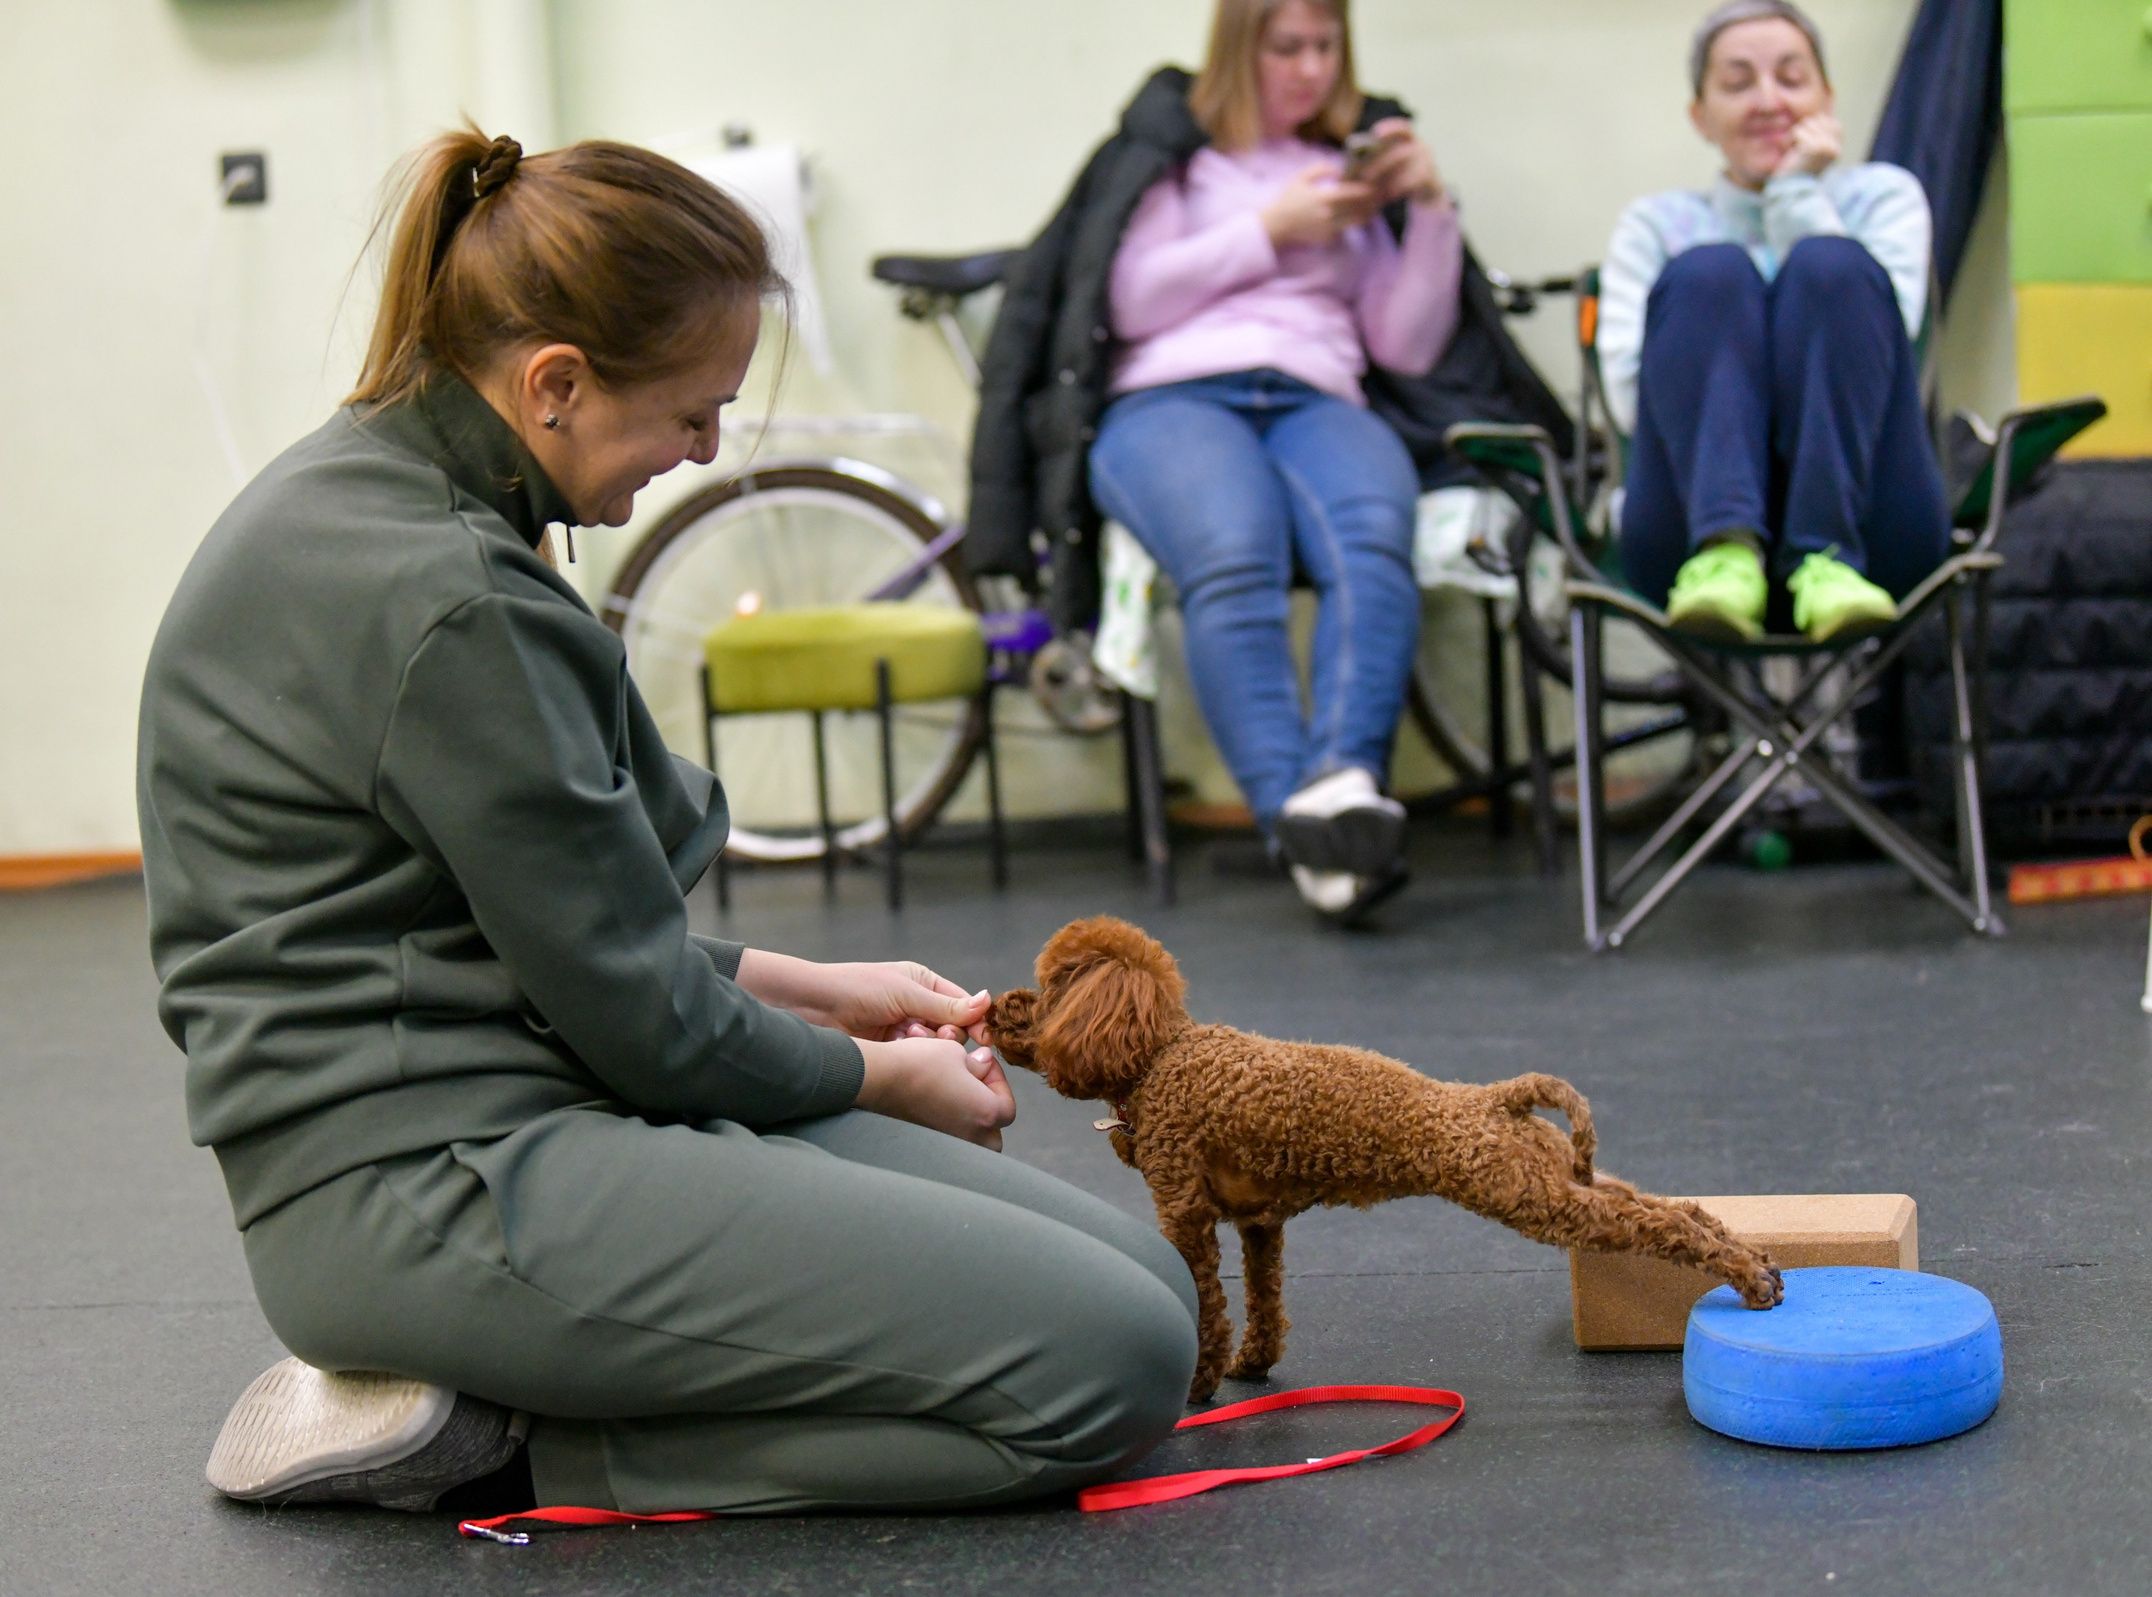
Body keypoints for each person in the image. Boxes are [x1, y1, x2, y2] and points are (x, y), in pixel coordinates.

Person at [138, 130, 1196, 1518]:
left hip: (532, 1093)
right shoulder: (451, 599)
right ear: (556, 384)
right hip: (426, 1191)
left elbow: (554, 929)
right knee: (1107, 1364)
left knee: (1156, 1289)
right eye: (693, 413)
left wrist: (835, 991)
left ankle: (557, 1380)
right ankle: (502, 1437)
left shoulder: (403, 497)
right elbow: (649, 1022)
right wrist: (885, 1074)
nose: (700, 451)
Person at [970, 0, 1461, 924]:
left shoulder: (1346, 166)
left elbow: (1408, 344)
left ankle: (1343, 787)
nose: (1312, 69)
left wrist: (1430, 209)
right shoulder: (1178, 156)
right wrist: (1273, 228)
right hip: (1172, 396)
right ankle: (1300, 826)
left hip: (1318, 392)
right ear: (1240, 48)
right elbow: (1130, 298)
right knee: (1235, 554)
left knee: (1372, 544)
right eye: (1288, 48)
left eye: (1327, 47)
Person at [1597, 0, 1944, 646]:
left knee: (1832, 267)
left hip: (1872, 530)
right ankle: (1728, 547)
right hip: (1686, 544)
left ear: (1827, 99)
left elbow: (1887, 362)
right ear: (1700, 116)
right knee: (1709, 275)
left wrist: (1793, 194)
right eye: (1736, 83)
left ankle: (1824, 555)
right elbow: (1626, 404)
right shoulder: (1653, 226)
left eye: (1791, 78)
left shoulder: (1885, 198)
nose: (1767, 101)